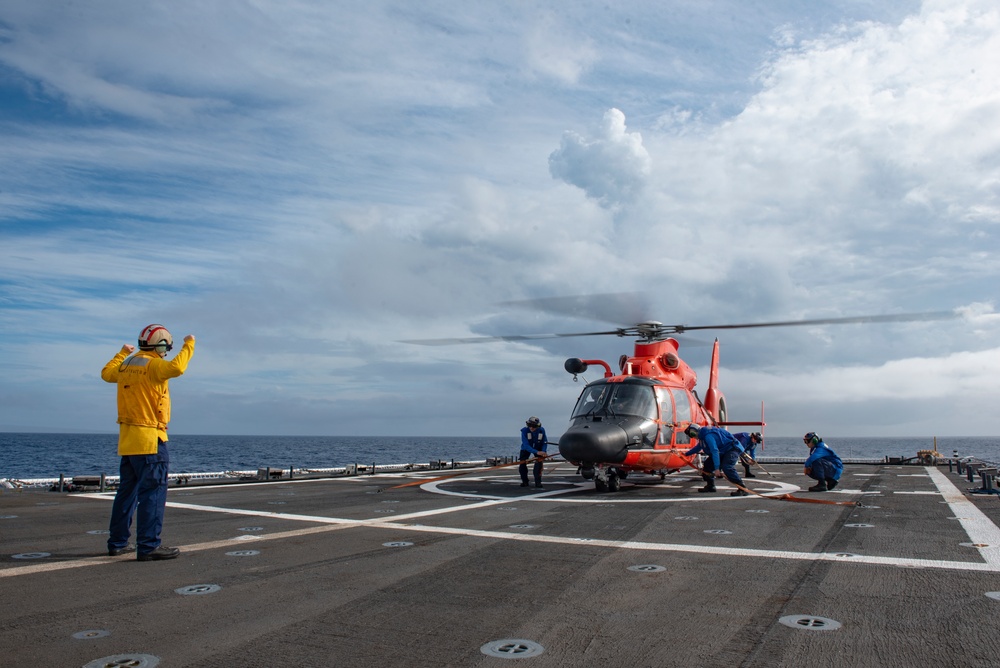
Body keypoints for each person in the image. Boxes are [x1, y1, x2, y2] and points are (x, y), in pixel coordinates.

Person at [101, 324, 195, 561]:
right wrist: (189, 344)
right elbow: (178, 367)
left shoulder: (126, 365)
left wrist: (122, 352)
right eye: (166, 346)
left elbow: (105, 373)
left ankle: (118, 543)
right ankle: (148, 545)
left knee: (126, 494)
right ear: (161, 345)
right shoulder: (154, 365)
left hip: (128, 442)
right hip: (151, 440)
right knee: (153, 492)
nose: (167, 351)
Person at [683, 424, 748, 496]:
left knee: (727, 467)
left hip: (732, 449)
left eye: (692, 435)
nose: (693, 437)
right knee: (707, 466)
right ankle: (710, 486)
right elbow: (698, 447)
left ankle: (743, 488)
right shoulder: (703, 437)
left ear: (695, 432)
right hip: (723, 450)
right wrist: (685, 454)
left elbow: (714, 451)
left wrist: (717, 468)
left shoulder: (708, 436)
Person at [519, 416, 548, 489]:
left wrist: (543, 451)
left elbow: (544, 442)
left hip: (538, 448)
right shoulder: (524, 431)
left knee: (539, 464)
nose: (531, 428)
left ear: (537, 426)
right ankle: (524, 481)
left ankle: (538, 482)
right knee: (522, 464)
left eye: (534, 426)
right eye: (529, 425)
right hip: (527, 448)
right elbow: (526, 445)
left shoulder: (541, 430)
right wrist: (536, 452)